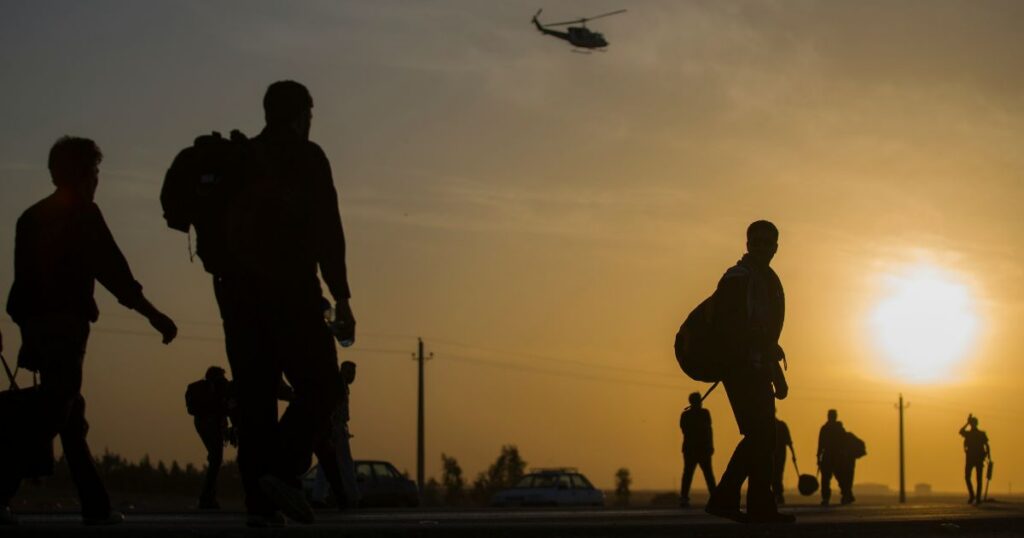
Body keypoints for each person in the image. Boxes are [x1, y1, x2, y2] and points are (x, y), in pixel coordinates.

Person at [1, 137, 177, 526]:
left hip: (38, 328)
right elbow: (115, 272)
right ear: (83, 174)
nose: (97, 180)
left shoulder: (29, 219)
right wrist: (154, 315)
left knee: (69, 412)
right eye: (95, 172)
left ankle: (95, 505)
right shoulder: (82, 214)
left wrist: (28, 333)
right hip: (66, 329)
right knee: (54, 411)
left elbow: (21, 288)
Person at [211, 80, 355, 527]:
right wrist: (343, 296)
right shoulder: (307, 158)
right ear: (301, 115)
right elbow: (328, 231)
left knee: (256, 398)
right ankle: (283, 469)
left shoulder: (240, 159)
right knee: (323, 385)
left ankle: (261, 500)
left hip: (238, 299)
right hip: (291, 292)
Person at [704, 220, 793, 524]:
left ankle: (755, 505)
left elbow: (765, 331)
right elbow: (730, 327)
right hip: (741, 367)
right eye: (756, 242)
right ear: (747, 244)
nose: (761, 247)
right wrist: (757, 349)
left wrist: (771, 360)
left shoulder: (766, 279)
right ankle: (728, 498)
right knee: (761, 435)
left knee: (763, 437)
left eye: (767, 243)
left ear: (775, 248)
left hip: (757, 366)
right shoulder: (738, 277)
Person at [311, 360, 361, 509]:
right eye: (350, 372)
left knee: (326, 465)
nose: (352, 376)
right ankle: (352, 497)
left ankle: (318, 497)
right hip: (336, 430)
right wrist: (332, 430)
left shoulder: (341, 386)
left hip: (334, 429)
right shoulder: (338, 387)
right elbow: (333, 410)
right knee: (345, 465)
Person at [186, 366, 233, 509]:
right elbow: (226, 407)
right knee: (216, 459)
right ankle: (206, 497)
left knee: (215, 459)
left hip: (202, 423)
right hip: (211, 423)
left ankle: (208, 497)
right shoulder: (220, 388)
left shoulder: (202, 388)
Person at [679, 391, 716, 508]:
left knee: (707, 474)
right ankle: (684, 498)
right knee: (689, 474)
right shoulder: (687, 415)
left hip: (701, 448)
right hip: (694, 449)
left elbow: (709, 430)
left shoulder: (703, 413)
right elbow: (687, 431)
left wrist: (710, 445)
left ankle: (715, 497)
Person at [817, 409, 852, 506]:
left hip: (837, 457)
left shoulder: (837, 428)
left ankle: (845, 496)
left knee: (840, 478)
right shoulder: (826, 428)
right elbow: (820, 445)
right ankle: (826, 498)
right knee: (826, 480)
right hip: (829, 457)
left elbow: (844, 443)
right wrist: (819, 457)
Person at [959, 414, 990, 505]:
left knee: (976, 479)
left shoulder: (979, 434)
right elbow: (960, 431)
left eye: (972, 423)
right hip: (972, 459)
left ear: (975, 424)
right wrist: (967, 423)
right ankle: (973, 496)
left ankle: (976, 497)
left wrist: (988, 456)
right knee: (970, 478)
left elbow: (987, 445)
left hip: (976, 459)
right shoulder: (971, 434)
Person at [771, 417, 794, 505]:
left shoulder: (781, 425)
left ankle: (778, 495)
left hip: (778, 455)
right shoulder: (781, 425)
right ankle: (777, 495)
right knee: (774, 475)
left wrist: (793, 454)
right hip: (772, 454)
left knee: (777, 474)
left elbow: (789, 442)